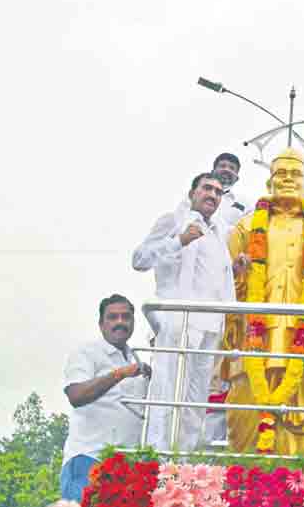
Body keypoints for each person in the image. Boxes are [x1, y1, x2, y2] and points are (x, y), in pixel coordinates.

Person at [221, 147, 304, 455]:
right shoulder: (246, 228)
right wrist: (233, 320)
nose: (288, 180)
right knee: (246, 412)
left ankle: (301, 487)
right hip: (253, 336)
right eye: (281, 174)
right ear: (269, 182)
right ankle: (245, 482)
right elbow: (224, 283)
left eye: (295, 174)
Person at [132, 173, 241, 452]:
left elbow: (216, 279)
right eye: (207, 188)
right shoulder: (173, 220)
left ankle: (184, 463)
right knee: (168, 392)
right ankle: (158, 457)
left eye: (218, 191)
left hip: (210, 325)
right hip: (179, 320)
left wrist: (235, 269)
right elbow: (140, 259)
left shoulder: (219, 231)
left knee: (195, 400)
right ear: (192, 192)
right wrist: (179, 240)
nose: (212, 195)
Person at [60, 294, 151, 502]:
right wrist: (118, 374)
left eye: (126, 317)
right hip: (89, 459)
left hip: (125, 468)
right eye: (113, 317)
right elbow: (76, 395)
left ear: (133, 323)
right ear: (101, 324)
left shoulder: (135, 359)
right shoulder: (87, 352)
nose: (120, 322)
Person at [212, 152, 254, 227]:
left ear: (237, 178)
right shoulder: (194, 196)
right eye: (222, 166)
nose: (227, 170)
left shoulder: (246, 205)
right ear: (212, 172)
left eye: (232, 168)